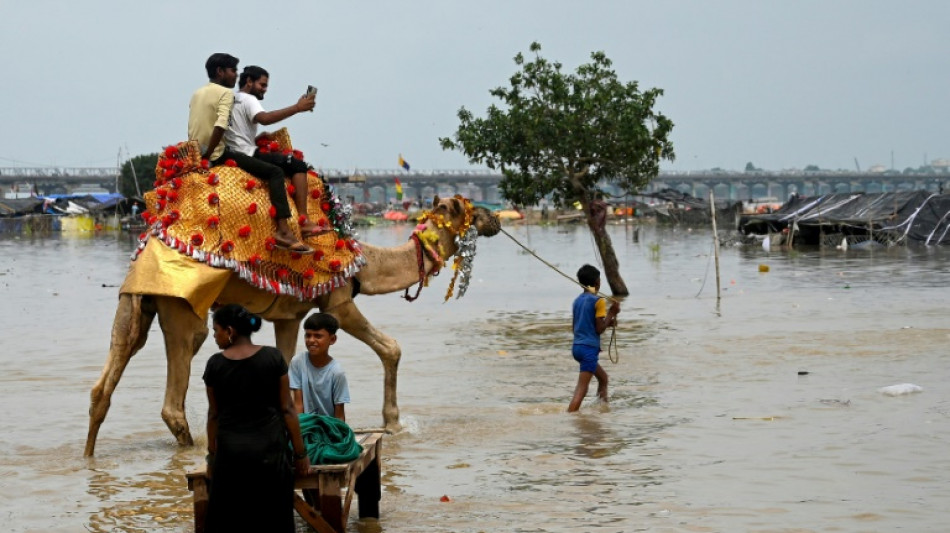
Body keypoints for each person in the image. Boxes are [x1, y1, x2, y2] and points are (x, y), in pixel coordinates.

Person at [202, 304, 310, 533]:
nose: (214, 336)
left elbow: (213, 415)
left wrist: (212, 458)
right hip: (269, 455)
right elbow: (288, 409)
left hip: (230, 458)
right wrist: (301, 454)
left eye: (216, 330)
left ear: (230, 331)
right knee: (273, 519)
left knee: (229, 521)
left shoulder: (215, 364)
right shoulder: (273, 357)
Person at [188, 53, 311, 252]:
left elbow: (218, 127)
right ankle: (291, 227)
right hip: (226, 153)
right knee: (284, 169)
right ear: (248, 82)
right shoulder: (232, 95)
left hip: (201, 149)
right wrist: (297, 108)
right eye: (232, 71)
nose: (235, 75)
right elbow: (228, 125)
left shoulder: (199, 94)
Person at [225, 65, 322, 236]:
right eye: (262, 85)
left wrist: (256, 138)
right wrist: (297, 108)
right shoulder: (249, 99)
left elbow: (235, 134)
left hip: (233, 153)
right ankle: (303, 221)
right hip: (247, 154)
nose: (265, 90)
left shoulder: (231, 99)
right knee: (298, 165)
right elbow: (265, 118)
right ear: (249, 82)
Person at [568, 264, 620, 412]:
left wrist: (608, 322)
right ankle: (569, 418)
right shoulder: (599, 301)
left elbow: (578, 326)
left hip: (577, 348)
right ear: (597, 282)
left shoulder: (577, 300)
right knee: (581, 390)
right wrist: (612, 312)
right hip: (588, 349)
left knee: (603, 379)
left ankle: (601, 409)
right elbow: (598, 329)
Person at [289, 312, 350, 421]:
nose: (311, 340)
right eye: (308, 335)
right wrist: (298, 431)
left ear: (332, 339)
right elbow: (298, 404)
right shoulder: (298, 362)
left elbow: (339, 413)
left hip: (328, 427)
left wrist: (339, 435)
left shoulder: (336, 372)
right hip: (306, 424)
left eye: (318, 336)